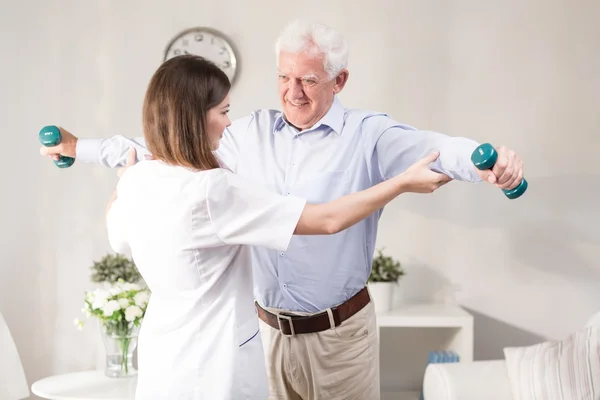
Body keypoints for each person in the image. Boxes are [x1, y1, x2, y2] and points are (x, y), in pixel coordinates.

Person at [41, 20, 525, 400]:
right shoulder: (244, 135)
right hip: (263, 335)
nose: (293, 91)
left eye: (308, 79)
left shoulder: (368, 135)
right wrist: (82, 148)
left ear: (340, 80)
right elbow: (167, 151)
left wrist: (490, 163)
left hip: (339, 338)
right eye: (284, 77)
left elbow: (436, 148)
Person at [106, 54, 454, 400]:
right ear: (193, 117)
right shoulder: (213, 190)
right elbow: (327, 219)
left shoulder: (137, 180)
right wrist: (402, 183)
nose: (229, 125)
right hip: (215, 367)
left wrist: (123, 181)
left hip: (163, 362)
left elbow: (118, 236)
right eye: (224, 112)